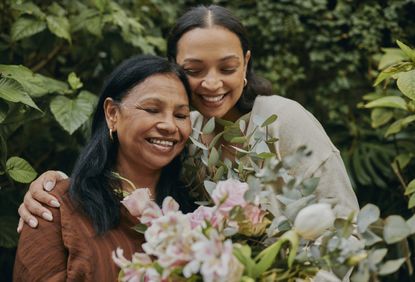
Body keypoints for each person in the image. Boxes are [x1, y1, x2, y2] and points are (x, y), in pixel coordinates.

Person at [17, 5, 359, 232]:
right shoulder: (179, 133)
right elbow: (126, 182)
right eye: (194, 70)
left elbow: (346, 225)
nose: (212, 84)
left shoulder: (283, 120)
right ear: (173, 66)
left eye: (227, 68)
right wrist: (54, 184)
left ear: (246, 63)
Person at [14, 55, 195, 281]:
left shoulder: (195, 213)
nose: (169, 125)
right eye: (151, 109)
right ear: (112, 114)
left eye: (181, 115)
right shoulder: (55, 207)